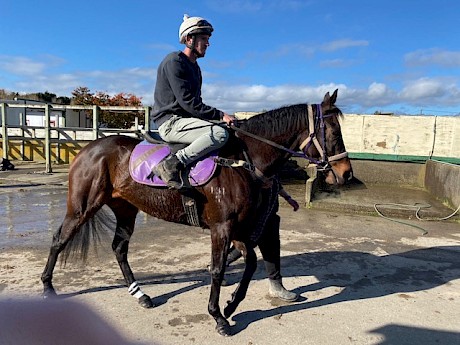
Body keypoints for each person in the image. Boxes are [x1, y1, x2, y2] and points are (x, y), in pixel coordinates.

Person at [150, 14, 236, 189]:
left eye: (208, 39)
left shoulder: (195, 68)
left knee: (226, 132)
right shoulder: (174, 61)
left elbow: (195, 105)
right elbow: (188, 103)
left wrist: (217, 119)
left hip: (184, 121)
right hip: (170, 123)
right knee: (219, 134)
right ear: (189, 39)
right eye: (204, 38)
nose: (208, 43)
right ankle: (171, 164)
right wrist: (221, 115)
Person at [226, 178, 300, 302]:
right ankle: (218, 265)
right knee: (246, 245)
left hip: (270, 214)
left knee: (272, 249)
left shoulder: (273, 165)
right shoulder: (250, 162)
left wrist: (288, 198)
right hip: (253, 215)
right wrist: (256, 182)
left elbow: (276, 183)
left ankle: (276, 286)